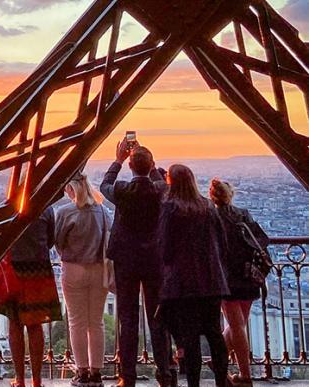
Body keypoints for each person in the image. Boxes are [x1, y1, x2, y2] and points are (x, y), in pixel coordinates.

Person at [99, 142, 174, 387]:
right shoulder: (161, 190)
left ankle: (127, 376)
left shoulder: (122, 190)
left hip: (127, 261)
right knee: (158, 317)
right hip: (154, 260)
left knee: (127, 318)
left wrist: (117, 160)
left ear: (130, 166)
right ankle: (164, 372)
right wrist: (151, 167)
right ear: (152, 165)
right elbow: (162, 183)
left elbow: (104, 185)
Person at [157, 165, 230, 387]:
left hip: (183, 282)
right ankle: (220, 381)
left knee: (190, 339)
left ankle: (193, 384)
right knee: (214, 334)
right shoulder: (207, 206)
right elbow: (222, 243)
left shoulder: (171, 207)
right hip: (211, 280)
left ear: (172, 182)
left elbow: (165, 247)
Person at [210, 179, 268, 387]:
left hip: (228, 278)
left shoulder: (213, 217)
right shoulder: (243, 214)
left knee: (236, 326)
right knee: (239, 325)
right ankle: (219, 363)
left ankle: (245, 375)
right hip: (249, 274)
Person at [55, 173, 111, 387]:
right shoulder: (103, 211)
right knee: (96, 322)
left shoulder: (66, 212)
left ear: (72, 189)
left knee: (77, 322)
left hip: (73, 268)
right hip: (99, 268)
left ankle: (82, 371)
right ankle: (96, 372)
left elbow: (58, 241)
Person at [0, 206, 62, 387]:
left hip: (13, 269)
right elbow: (50, 240)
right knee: (35, 325)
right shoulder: (47, 207)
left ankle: (20, 379)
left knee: (14, 324)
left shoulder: (9, 205)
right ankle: (37, 380)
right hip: (38, 269)